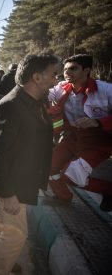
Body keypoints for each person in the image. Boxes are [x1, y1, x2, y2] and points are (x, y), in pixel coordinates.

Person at [0, 54, 58, 274]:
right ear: (36, 77)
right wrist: (8, 194)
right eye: (54, 74)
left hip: (20, 178)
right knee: (16, 234)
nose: (57, 79)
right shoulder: (10, 106)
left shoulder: (35, 101)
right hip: (12, 184)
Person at [46, 54, 112, 211]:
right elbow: (43, 93)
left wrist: (98, 122)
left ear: (87, 70)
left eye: (73, 68)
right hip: (71, 138)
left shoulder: (106, 90)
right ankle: (63, 197)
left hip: (97, 141)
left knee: (73, 174)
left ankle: (109, 190)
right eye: (66, 69)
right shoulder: (61, 88)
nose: (67, 72)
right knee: (48, 167)